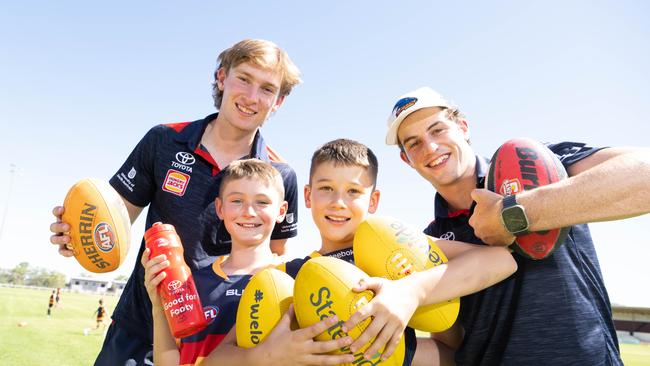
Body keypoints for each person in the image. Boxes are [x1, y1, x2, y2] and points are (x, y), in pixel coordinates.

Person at [48, 39, 302, 366]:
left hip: (220, 344)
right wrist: (78, 234)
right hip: (141, 329)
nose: (252, 97)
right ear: (222, 78)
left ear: (278, 101)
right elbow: (114, 219)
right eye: (244, 79)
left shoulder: (280, 175)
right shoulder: (164, 140)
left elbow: (275, 258)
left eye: (267, 89)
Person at [384, 86, 650, 365]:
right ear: (407, 159)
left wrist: (512, 213)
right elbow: (453, 346)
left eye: (438, 130)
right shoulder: (429, 240)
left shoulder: (537, 164)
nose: (430, 147)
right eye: (413, 143)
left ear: (462, 127)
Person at [212, 139, 517, 366]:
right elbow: (217, 359)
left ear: (373, 202)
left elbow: (502, 259)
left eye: (354, 191)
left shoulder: (397, 250)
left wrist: (409, 291)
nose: (338, 202)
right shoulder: (286, 276)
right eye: (326, 189)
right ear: (308, 195)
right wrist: (264, 356)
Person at [143, 159, 352, 366]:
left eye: (262, 202)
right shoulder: (192, 284)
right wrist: (158, 308)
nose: (249, 212)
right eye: (236, 201)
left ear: (281, 211)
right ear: (220, 208)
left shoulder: (296, 276)